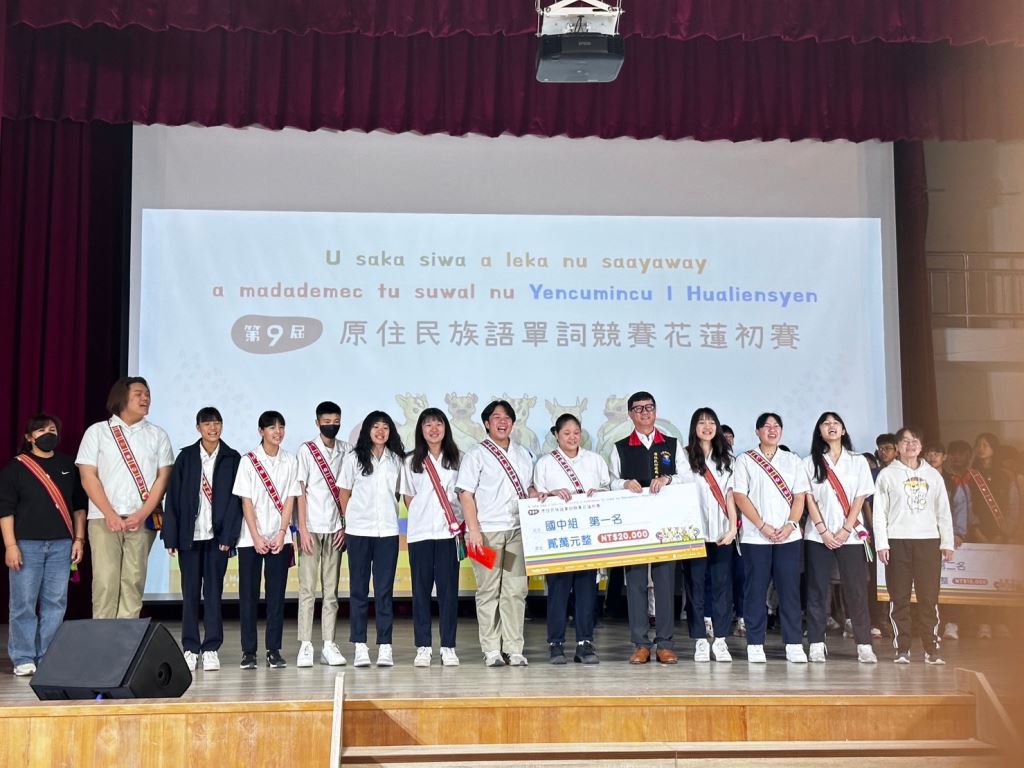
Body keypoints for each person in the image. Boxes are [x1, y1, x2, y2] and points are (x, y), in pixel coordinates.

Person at [76, 376, 174, 619]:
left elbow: (163, 479)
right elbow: (88, 476)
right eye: (139, 394)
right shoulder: (97, 432)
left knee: (134, 580)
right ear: (121, 397)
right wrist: (109, 514)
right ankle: (103, 636)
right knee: (105, 581)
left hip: (142, 520)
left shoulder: (157, 435)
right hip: (103, 518)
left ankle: (127, 638)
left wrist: (141, 514)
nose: (145, 398)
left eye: (147, 394)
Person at [0, 415, 87, 676]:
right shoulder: (15, 468)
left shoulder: (68, 465)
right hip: (26, 546)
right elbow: (5, 511)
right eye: (40, 430)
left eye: (52, 429)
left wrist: (79, 539)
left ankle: (49, 655)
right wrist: (10, 545)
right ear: (29, 438)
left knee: (56, 603)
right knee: (23, 603)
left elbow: (79, 507)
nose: (48, 434)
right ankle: (23, 657)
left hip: (62, 545)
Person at [608, 391, 687, 665]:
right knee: (636, 584)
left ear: (656, 411)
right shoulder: (620, 447)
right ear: (630, 414)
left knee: (665, 584)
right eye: (638, 408)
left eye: (649, 407)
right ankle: (640, 644)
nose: (644, 412)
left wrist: (668, 479)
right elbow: (610, 481)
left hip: (666, 524)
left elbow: (687, 477)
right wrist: (623, 483)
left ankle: (665, 644)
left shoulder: (672, 445)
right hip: (634, 525)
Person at [457, 399, 537, 667]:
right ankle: (491, 649)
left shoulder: (524, 454)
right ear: (486, 423)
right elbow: (465, 494)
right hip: (486, 535)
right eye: (496, 417)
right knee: (489, 589)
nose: (502, 422)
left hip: (516, 533)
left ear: (513, 423)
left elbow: (530, 487)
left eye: (507, 418)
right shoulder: (476, 454)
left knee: (515, 589)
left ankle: (514, 648)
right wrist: (473, 531)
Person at [163, 406, 242, 672]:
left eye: (217, 423)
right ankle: (190, 647)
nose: (213, 428)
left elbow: (236, 501)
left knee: (213, 594)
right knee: (190, 594)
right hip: (190, 537)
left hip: (218, 538)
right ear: (198, 428)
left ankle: (211, 648)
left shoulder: (232, 458)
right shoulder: (186, 457)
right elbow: (173, 498)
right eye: (207, 423)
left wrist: (229, 536)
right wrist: (171, 536)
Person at [732, 412, 809, 663]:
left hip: (788, 536)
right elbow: (740, 496)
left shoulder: (792, 460)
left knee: (789, 590)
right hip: (756, 536)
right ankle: (755, 643)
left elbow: (800, 496)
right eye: (766, 426)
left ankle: (794, 643)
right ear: (757, 431)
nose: (772, 430)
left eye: (776, 426)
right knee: (755, 589)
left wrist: (790, 524)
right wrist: (762, 525)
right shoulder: (745, 460)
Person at [534, 413, 610, 665]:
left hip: (588, 537)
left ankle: (584, 643)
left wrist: (599, 493)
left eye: (576, 432)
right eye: (566, 433)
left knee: (587, 591)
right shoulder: (545, 463)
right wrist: (552, 494)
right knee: (558, 591)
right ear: (556, 435)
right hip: (559, 538)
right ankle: (555, 644)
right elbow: (538, 496)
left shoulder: (595, 460)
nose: (572, 437)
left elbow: (608, 490)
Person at [874, 426, 954, 664]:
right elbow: (879, 513)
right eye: (906, 441)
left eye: (915, 441)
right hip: (897, 541)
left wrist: (947, 541)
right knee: (899, 598)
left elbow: (943, 511)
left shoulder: (933, 475)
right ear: (898, 447)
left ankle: (931, 649)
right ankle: (902, 648)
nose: (911, 445)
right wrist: (882, 543)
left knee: (929, 597)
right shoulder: (887, 474)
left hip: (928, 541)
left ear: (921, 446)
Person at [802, 412, 877, 664]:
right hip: (817, 535)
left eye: (836, 423)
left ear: (843, 430)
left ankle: (864, 643)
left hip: (851, 535)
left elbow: (860, 497)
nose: (831, 426)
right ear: (819, 431)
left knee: (856, 589)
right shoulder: (809, 462)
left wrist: (845, 529)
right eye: (826, 423)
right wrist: (823, 530)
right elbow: (808, 498)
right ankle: (816, 642)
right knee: (816, 589)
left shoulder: (857, 461)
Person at [232, 410, 299, 669]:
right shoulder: (248, 461)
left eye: (281, 427)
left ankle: (274, 649)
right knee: (248, 596)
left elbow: (290, 498)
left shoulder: (290, 460)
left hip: (280, 538)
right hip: (251, 539)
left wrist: (282, 533)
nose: (277, 432)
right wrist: (257, 536)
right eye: (272, 427)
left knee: (276, 596)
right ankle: (248, 652)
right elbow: (246, 501)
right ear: (261, 431)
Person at [338, 411, 405, 668]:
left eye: (385, 427)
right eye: (376, 427)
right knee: (358, 590)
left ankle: (385, 646)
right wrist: (349, 522)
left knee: (384, 590)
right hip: (358, 532)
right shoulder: (353, 459)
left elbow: (397, 494)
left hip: (387, 532)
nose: (380, 432)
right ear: (367, 430)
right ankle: (360, 646)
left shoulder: (397, 460)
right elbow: (344, 494)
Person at [401, 408, 464, 667]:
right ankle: (423, 647)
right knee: (421, 592)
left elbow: (465, 494)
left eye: (438, 424)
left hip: (449, 534)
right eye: (428, 425)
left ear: (446, 428)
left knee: (448, 593)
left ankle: (448, 646)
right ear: (421, 430)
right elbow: (408, 497)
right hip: (421, 534)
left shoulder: (459, 458)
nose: (434, 429)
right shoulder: (411, 461)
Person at [295, 401, 350, 668]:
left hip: (336, 527)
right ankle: (305, 644)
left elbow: (348, 491)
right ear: (317, 423)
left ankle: (329, 644)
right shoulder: (306, 450)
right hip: (311, 528)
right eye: (327, 422)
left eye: (336, 421)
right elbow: (300, 491)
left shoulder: (347, 450)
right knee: (307, 589)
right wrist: (302, 529)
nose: (332, 426)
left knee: (331, 591)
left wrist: (344, 524)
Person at [683, 407, 738, 663]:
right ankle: (700, 641)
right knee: (695, 587)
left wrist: (733, 528)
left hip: (721, 532)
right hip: (693, 534)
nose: (707, 427)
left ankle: (721, 640)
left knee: (722, 587)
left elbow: (731, 495)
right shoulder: (684, 457)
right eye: (701, 422)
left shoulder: (727, 458)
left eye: (711, 422)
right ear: (694, 428)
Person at [964, 432, 1019, 640]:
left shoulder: (1006, 476)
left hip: (1002, 535)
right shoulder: (970, 476)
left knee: (1001, 580)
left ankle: (1001, 621)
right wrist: (976, 530)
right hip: (978, 535)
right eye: (978, 445)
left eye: (986, 445)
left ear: (994, 449)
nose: (981, 448)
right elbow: (968, 505)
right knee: (981, 580)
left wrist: (1005, 532)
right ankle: (983, 622)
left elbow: (1014, 504)